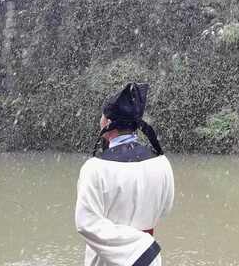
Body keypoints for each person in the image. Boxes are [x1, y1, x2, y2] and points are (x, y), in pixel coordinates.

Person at [75, 83, 175, 266]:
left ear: (106, 122)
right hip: (149, 261)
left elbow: (85, 223)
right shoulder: (162, 164)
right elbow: (164, 210)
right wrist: (143, 246)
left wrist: (138, 248)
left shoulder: (95, 168)